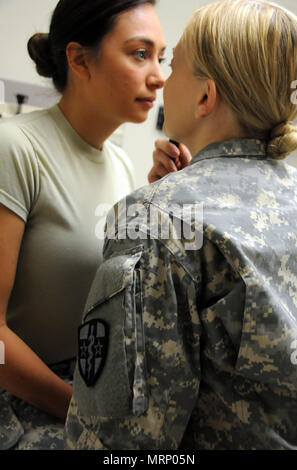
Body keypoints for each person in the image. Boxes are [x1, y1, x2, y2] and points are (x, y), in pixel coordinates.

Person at [65, 0, 297, 450]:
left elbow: (119, 442)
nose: (161, 79)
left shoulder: (156, 220)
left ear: (205, 97)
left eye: (173, 65)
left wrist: (163, 210)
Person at [0, 0, 166, 450]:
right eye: (139, 53)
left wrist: (162, 196)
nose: (159, 75)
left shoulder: (121, 165)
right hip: (24, 406)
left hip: (89, 392)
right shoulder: (15, 149)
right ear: (78, 59)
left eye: (161, 57)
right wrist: (77, 407)